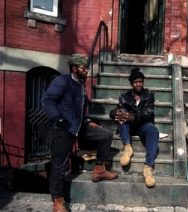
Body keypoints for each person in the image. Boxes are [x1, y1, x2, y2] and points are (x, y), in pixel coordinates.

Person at [43, 53, 118, 212]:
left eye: (86, 68)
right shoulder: (62, 81)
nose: (86, 70)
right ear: (74, 68)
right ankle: (58, 200)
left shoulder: (81, 86)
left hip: (78, 126)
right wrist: (58, 119)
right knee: (59, 166)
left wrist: (87, 121)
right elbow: (48, 101)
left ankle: (99, 170)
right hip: (62, 129)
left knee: (106, 135)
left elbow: (78, 110)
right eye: (83, 68)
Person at [109, 67, 159, 188]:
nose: (138, 84)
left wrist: (134, 116)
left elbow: (149, 112)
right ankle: (127, 147)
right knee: (122, 119)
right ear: (132, 83)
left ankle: (148, 167)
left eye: (140, 81)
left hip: (143, 125)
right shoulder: (124, 96)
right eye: (136, 82)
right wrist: (115, 113)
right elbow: (117, 111)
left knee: (153, 130)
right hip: (128, 127)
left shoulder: (149, 95)